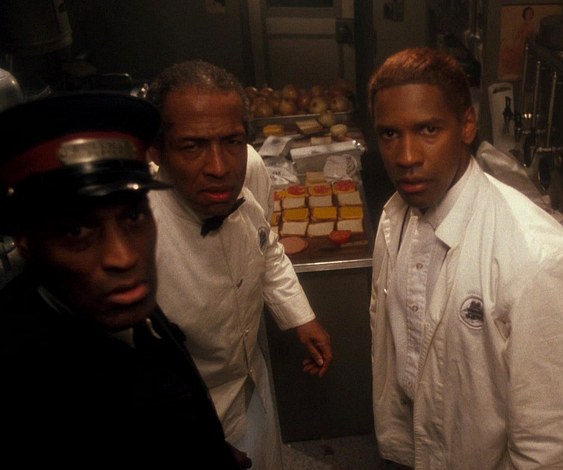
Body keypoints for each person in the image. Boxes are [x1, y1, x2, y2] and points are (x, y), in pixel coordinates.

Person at [367, 47, 563, 468]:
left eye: (429, 129)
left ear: (467, 125)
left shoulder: (541, 257)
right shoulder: (393, 216)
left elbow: (551, 442)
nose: (407, 157)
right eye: (389, 134)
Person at [0, 92, 246, 469]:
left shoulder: (107, 299)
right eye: (77, 231)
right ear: (26, 243)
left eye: (133, 217)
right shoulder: (26, 383)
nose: (124, 257)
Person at [144, 59, 333, 470]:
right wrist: (193, 439)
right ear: (156, 150)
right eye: (192, 146)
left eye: (231, 140)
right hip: (186, 416)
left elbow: (265, 243)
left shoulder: (249, 166)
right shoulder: (136, 229)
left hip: (251, 383)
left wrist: (299, 316)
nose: (219, 168)